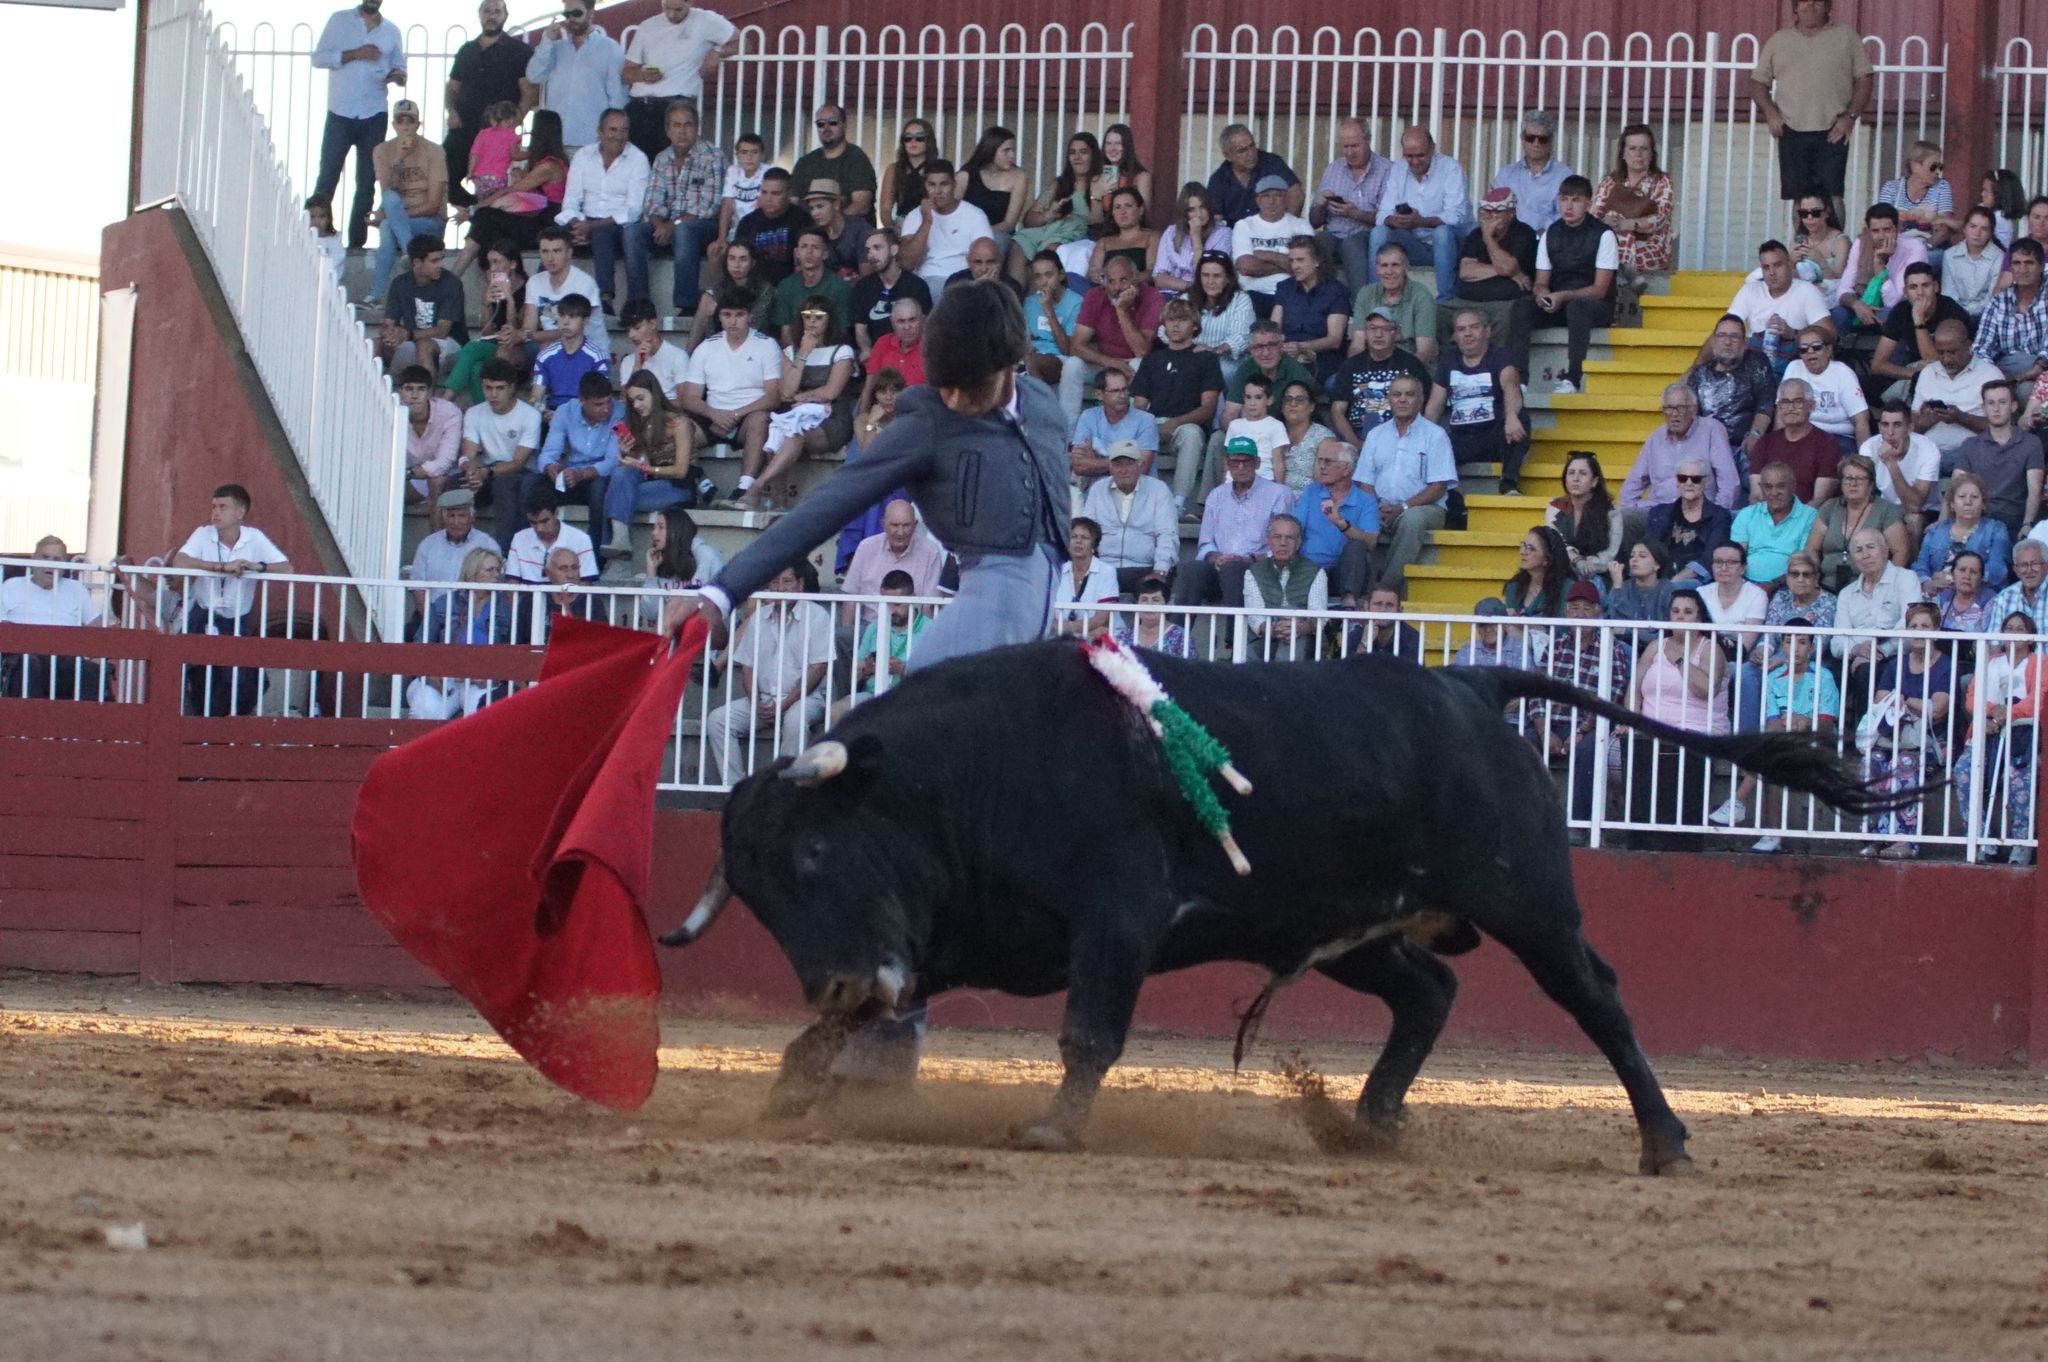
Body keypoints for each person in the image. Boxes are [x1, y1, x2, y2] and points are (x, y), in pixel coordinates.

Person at [684, 281, 1072, 715]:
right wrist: (724, 592)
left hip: (1041, 616)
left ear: (1005, 366)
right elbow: (830, 503)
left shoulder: (1040, 402)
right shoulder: (929, 419)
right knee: (919, 715)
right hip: (987, 601)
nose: (953, 397)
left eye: (965, 385)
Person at [702, 559, 833, 782]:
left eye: (787, 581)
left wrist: (785, 703)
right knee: (718, 720)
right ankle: (735, 789)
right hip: (763, 700)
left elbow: (817, 668)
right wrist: (756, 701)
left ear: (800, 585)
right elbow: (747, 666)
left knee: (796, 719)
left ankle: (786, 791)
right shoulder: (758, 618)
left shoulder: (817, 615)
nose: (781, 588)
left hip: (806, 700)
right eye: (775, 582)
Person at [1750, 0, 1873, 231]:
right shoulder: (1779, 40)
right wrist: (1771, 113)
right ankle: (1802, 252)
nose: (1810, 7)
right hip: (1791, 128)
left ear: (1828, 7)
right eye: (1804, 2)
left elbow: (1864, 79)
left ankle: (1837, 250)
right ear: (1795, 8)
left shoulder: (1846, 36)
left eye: (1818, 2)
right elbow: (1758, 83)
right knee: (1800, 198)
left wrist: (1850, 116)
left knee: (1833, 193)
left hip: (1833, 129)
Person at [172, 485, 293, 716]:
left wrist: (256, 566)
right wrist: (219, 568)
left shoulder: (254, 538)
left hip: (235, 623)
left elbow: (287, 567)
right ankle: (199, 729)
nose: (215, 512)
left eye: (223, 507)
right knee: (199, 677)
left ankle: (220, 729)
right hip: (202, 619)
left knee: (247, 680)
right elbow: (180, 561)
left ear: (240, 512)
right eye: (214, 507)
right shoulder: (202, 533)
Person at [1626, 588, 1728, 847]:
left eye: (1687, 612)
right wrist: (1630, 720)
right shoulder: (1653, 647)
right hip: (1651, 729)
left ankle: (1681, 842)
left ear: (1700, 619)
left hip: (1695, 729)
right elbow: (1634, 688)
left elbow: (1706, 690)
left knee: (1677, 755)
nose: (1680, 618)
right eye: (1675, 611)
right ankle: (1639, 839)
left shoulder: (1710, 648)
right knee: (1629, 748)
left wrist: (1681, 661)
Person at [1860, 601, 1954, 860]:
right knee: (1873, 763)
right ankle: (1876, 836)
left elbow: (1937, 709)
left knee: (1905, 763)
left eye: (1925, 626)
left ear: (1936, 631)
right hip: (1894, 736)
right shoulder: (1895, 664)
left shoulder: (1945, 664)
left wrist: (1903, 700)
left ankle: (1905, 838)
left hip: (1930, 740)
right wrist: (1909, 704)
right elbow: (1879, 700)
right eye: (1913, 626)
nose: (1919, 631)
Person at [312, 0, 407, 249]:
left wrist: (396, 76)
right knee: (327, 177)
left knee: (366, 182)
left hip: (374, 112)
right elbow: (319, 58)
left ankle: (356, 245)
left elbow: (401, 68)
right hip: (340, 112)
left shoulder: (391, 30)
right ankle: (314, 237)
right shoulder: (339, 20)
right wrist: (356, 53)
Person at [749, 294, 857, 506]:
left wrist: (801, 397)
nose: (812, 322)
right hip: (795, 414)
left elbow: (831, 392)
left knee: (794, 436)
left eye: (818, 316)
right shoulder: (791, 352)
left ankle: (757, 487)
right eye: (807, 316)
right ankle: (779, 499)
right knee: (780, 433)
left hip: (831, 418)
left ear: (829, 320)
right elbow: (785, 392)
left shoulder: (842, 350)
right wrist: (804, 352)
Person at [1953, 611, 2046, 861]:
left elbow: (2037, 701)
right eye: (2010, 628)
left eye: (2020, 629)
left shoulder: (2041, 663)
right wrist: (1992, 714)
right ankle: (1981, 838)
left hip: (2024, 738)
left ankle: (2021, 842)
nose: (2014, 634)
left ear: (2030, 636)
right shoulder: (1991, 662)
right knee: (1963, 771)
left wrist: (2007, 714)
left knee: (2020, 776)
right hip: (1987, 734)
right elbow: (1972, 699)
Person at [680, 288, 784, 504]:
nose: (733, 321)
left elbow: (774, 396)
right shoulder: (706, 348)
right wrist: (714, 414)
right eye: (727, 315)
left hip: (748, 416)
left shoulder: (767, 345)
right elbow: (689, 397)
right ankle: (699, 479)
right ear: (719, 317)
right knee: (676, 426)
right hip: (713, 415)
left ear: (749, 316)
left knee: (761, 419)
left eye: (739, 315)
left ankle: (743, 489)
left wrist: (735, 415)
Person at [624, 101, 724, 316]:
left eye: (688, 125)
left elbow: (710, 206)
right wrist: (661, 225)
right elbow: (652, 202)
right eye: (676, 125)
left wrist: (672, 225)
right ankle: (639, 304)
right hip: (669, 227)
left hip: (702, 227)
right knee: (632, 232)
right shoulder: (662, 158)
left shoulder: (712, 156)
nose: (682, 131)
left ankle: (686, 304)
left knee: (684, 230)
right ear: (668, 130)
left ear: (697, 128)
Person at [1358, 375, 1454, 590]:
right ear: (1389, 400)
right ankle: (1354, 590)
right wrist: (1376, 508)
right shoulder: (1375, 435)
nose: (1402, 400)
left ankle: (1385, 589)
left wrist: (1402, 507)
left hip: (1424, 508)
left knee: (1412, 519)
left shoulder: (1435, 435)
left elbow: (1438, 487)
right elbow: (1365, 482)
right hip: (1379, 506)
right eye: (1397, 394)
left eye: (1409, 394)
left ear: (1421, 400)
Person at [1172, 440, 1293, 608]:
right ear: (1227, 464)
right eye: (1235, 462)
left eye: (1246, 462)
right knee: (1193, 568)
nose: (1240, 467)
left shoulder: (1279, 494)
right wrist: (1216, 557)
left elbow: (1283, 545)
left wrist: (1248, 559)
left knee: (1233, 569)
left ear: (1257, 463)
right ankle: (1178, 632)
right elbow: (1206, 542)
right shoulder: (1216, 495)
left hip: (1261, 569)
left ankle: (1232, 634)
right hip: (1221, 568)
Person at [1134, 299, 1226, 515]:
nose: (1175, 325)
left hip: (1187, 425)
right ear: (1164, 324)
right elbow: (1139, 405)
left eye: (1182, 320)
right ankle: (1138, 499)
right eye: (1171, 320)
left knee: (1192, 434)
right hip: (1153, 423)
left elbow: (1208, 409)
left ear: (1194, 325)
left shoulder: (1206, 359)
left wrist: (1175, 423)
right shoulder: (1152, 359)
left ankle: (1178, 502)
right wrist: (1150, 427)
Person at [556, 108, 649, 314]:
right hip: (584, 219)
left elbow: (634, 210)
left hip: (618, 225)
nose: (618, 136)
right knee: (553, 237)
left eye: (624, 130)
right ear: (599, 131)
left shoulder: (638, 159)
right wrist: (577, 225)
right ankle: (543, 298)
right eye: (613, 129)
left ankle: (605, 298)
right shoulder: (583, 155)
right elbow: (571, 200)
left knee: (602, 233)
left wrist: (593, 225)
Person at [1531, 175, 1618, 395]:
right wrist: (1542, 294)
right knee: (1521, 308)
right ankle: (1519, 379)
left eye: (1576, 200)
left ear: (1588, 203)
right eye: (1564, 199)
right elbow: (1541, 281)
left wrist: (1562, 296)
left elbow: (1600, 290)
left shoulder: (1604, 235)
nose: (1568, 206)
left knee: (1577, 307)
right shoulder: (1551, 233)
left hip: (1596, 306)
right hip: (1559, 302)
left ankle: (1573, 378)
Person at [405, 546, 514, 719]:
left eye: (498, 570)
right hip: (445, 678)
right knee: (425, 710)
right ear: (473, 574)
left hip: (481, 682)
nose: (497, 574)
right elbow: (421, 642)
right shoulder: (445, 603)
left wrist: (494, 677)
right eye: (490, 570)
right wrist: (430, 675)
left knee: (482, 714)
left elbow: (512, 650)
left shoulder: (504, 609)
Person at [1426, 309, 1528, 492]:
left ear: (1487, 331)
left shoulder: (1501, 356)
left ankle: (1509, 482)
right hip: (1461, 438)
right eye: (1461, 329)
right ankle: (1450, 501)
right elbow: (1434, 406)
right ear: (1455, 336)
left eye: (1474, 327)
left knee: (1520, 417)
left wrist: (1512, 416)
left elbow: (1511, 388)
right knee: (1431, 440)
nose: (1468, 333)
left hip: (1494, 436)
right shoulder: (1449, 360)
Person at [619, 0, 736, 158]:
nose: (671, 14)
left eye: (678, 9)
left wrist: (717, 51)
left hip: (675, 105)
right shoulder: (647, 26)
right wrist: (642, 75)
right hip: (639, 105)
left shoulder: (706, 20)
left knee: (671, 166)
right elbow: (626, 73)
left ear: (690, 3)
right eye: (667, 8)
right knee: (633, 166)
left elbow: (742, 42)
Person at [1367, 126, 1470, 305]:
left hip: (1451, 244)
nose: (1414, 162)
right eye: (1409, 156)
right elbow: (1382, 215)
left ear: (1432, 148)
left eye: (1420, 155)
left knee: (1442, 232)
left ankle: (1445, 302)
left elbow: (1457, 216)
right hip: (1416, 244)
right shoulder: (1398, 170)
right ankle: (1374, 299)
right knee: (1379, 232)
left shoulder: (1450, 168)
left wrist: (1420, 221)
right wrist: (1397, 220)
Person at [442, 1, 529, 209]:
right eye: (487, 11)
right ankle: (479, 209)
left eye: (497, 11)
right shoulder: (466, 51)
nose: (492, 16)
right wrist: (451, 111)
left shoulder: (519, 50)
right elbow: (452, 88)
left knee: (498, 187)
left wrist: (516, 121)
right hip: (463, 130)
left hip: (497, 135)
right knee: (443, 179)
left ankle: (484, 218)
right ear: (479, 15)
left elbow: (528, 92)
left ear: (505, 16)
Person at [600, 370, 697, 553]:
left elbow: (681, 470)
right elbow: (638, 467)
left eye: (640, 398)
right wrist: (626, 453)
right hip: (650, 482)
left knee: (612, 498)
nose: (636, 405)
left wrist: (645, 468)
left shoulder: (679, 423)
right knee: (620, 474)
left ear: (654, 393)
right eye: (632, 401)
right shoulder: (642, 423)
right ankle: (619, 542)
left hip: (678, 485)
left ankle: (614, 556)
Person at [0, 537, 105, 701]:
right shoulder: (11, 586)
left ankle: (88, 724)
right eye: (45, 557)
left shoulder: (75, 589)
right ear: (34, 560)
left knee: (90, 671)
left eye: (57, 559)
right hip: (23, 660)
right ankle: (30, 723)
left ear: (65, 563)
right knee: (29, 664)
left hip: (65, 660)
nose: (51, 564)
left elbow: (97, 628)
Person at [461, 110, 570, 264]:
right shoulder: (545, 162)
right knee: (489, 230)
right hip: (535, 216)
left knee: (486, 218)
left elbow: (511, 190)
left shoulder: (549, 166)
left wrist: (475, 208)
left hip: (545, 223)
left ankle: (460, 270)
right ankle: (494, 280)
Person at [1832, 526, 1920, 716]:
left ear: (1885, 549)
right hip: (1855, 656)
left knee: (1867, 671)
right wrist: (1857, 650)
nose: (1865, 555)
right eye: (1858, 550)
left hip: (1894, 654)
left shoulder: (1906, 578)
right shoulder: (1846, 594)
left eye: (1870, 547)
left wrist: (1879, 650)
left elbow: (1908, 626)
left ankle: (1863, 738)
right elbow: (1837, 641)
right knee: (1824, 675)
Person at [366, 100, 447, 304]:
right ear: (394, 125)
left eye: (410, 121)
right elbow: (387, 192)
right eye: (400, 121)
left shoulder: (435, 151)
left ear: (417, 124)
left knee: (387, 224)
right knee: (390, 208)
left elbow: (433, 205)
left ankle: (376, 294)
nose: (405, 126)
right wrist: (399, 159)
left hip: (429, 221)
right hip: (400, 219)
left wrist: (395, 216)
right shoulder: (382, 151)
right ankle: (410, 256)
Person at [533, 370, 623, 549]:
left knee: (599, 489)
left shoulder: (619, 413)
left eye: (608, 402)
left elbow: (614, 460)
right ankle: (530, 549)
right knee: (531, 484)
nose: (605, 409)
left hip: (599, 476)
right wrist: (550, 468)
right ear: (582, 400)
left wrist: (582, 474)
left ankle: (597, 554)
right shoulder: (565, 411)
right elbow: (549, 452)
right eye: (598, 404)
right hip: (570, 476)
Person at [1618, 384, 1741, 514]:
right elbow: (1632, 484)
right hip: (1659, 513)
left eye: (1680, 408)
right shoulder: (1656, 438)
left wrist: (1716, 515)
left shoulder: (1712, 430)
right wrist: (1634, 507)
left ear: (1693, 410)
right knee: (1623, 518)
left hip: (1699, 514)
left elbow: (1730, 484)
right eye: (1669, 408)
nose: (1674, 414)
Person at [521, 3, 626, 152]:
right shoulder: (555, 48)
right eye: (566, 14)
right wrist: (547, 40)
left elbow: (617, 98)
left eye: (576, 13)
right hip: (555, 142)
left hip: (592, 141)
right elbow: (533, 76)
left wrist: (611, 138)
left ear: (591, 13)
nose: (570, 18)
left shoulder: (610, 48)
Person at [1453, 187, 1538, 367]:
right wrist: (1505, 272)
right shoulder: (1475, 235)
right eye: (1487, 211)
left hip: (1506, 301)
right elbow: (1465, 271)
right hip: (1472, 298)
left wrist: (1489, 239)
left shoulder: (1524, 233)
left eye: (1497, 212)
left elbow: (1507, 266)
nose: (1491, 216)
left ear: (1511, 213)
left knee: (1507, 318)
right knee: (1443, 312)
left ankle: (1497, 370)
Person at [1722, 239, 1831, 377]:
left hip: (1793, 369)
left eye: (1777, 265)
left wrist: (1793, 334)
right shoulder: (1750, 290)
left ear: (1790, 265)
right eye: (1766, 267)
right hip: (1753, 367)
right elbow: (1725, 328)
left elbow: (1830, 334)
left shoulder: (1806, 291)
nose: (1772, 272)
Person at [1329, 307, 1435, 447]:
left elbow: (1424, 406)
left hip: (1401, 437)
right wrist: (1357, 444)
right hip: (1359, 435)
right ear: (1365, 333)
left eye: (1386, 329)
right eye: (1372, 328)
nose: (1378, 334)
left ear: (1396, 333)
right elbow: (1337, 411)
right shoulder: (1350, 366)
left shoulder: (1411, 365)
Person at [1080, 442, 1178, 592]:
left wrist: (1160, 570)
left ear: (1140, 465)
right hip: (1105, 567)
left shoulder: (1159, 490)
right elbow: (1088, 532)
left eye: (1129, 464)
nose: (1123, 470)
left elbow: (1167, 534)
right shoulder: (1098, 490)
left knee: (1153, 590)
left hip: (1145, 568)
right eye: (1117, 464)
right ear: (1110, 467)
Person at [1294, 438, 1378, 607]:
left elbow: (1371, 542)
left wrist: (1342, 524)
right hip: (1310, 570)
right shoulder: (1311, 492)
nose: (1321, 466)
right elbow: (1295, 527)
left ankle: (1348, 602)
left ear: (1346, 468)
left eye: (1328, 461)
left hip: (1343, 573)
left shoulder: (1366, 500)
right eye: (1320, 461)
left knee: (1357, 546)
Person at [1955, 379, 2045, 537]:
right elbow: (1955, 488)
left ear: (2013, 407)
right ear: (1983, 408)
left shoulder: (2031, 443)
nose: (1996, 409)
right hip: (1977, 520)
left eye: (2002, 402)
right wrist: (1943, 522)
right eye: (1990, 403)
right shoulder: (1970, 445)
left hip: (2013, 521)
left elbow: (2034, 490)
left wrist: (2027, 524)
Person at [1310, 119, 1393, 290]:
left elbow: (1390, 219)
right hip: (1333, 234)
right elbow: (1315, 222)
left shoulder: (1387, 170)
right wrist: (1319, 205)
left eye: (1355, 146)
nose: (1349, 152)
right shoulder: (1333, 169)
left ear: (1368, 140)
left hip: (1365, 235)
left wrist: (1355, 213)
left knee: (1352, 245)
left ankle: (1359, 304)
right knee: (1318, 241)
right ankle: (1319, 300)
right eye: (1345, 147)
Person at [411, 488, 504, 639]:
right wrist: (432, 620)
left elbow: (496, 585)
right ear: (443, 518)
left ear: (472, 517)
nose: (456, 522)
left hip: (476, 617)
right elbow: (418, 588)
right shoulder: (428, 544)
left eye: (462, 516)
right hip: (436, 616)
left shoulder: (487, 544)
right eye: (451, 516)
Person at [1807, 451, 1909, 590]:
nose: (1853, 484)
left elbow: (1901, 552)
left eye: (1860, 479)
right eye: (1848, 478)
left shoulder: (1886, 510)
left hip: (1869, 586)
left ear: (1871, 484)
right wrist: (1812, 577)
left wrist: (1884, 585)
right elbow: (1812, 548)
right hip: (1825, 586)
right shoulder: (1829, 507)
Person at [835, 569, 929, 718]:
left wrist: (904, 670)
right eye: (886, 604)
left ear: (913, 598)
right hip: (872, 696)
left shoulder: (930, 628)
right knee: (836, 711)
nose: (891, 611)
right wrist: (867, 671)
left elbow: (935, 676)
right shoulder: (874, 627)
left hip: (911, 698)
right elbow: (855, 674)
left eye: (897, 604)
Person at [1870, 262, 1971, 399]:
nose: (1920, 293)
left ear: (1936, 287)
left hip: (1953, 372)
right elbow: (1878, 364)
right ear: (1905, 292)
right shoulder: (1901, 310)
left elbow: (1939, 366)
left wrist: (1919, 321)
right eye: (1913, 287)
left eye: (1925, 285)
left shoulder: (1951, 311)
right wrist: (1913, 373)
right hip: (1917, 369)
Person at [1910, 320, 2002, 467]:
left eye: (1952, 352)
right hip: (1928, 455)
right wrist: (1924, 422)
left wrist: (1961, 418)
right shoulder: (1927, 373)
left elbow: (2002, 428)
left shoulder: (1990, 375)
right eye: (1940, 352)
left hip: (1974, 456)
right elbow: (1912, 428)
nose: (1946, 359)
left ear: (1968, 345)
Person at [1591, 123, 1675, 281]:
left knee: (1622, 237)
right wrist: (1608, 223)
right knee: (1614, 238)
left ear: (1651, 154)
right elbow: (1595, 217)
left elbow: (1660, 219)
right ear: (1623, 153)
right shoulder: (1609, 182)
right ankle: (1628, 278)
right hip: (1615, 244)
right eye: (1632, 148)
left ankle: (1621, 280)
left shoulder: (1663, 181)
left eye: (1644, 149)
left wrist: (1627, 224)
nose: (1638, 154)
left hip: (1650, 248)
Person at [380, 236, 468, 383]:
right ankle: (379, 389)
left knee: (424, 345)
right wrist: (389, 334)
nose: (440, 264)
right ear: (417, 263)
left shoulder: (451, 283)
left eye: (441, 259)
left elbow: (442, 331)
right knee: (377, 343)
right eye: (434, 261)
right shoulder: (400, 283)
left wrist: (407, 334)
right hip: (412, 340)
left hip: (451, 344)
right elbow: (389, 321)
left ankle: (428, 403)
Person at [899, 160, 993, 295]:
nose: (937, 191)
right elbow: (907, 263)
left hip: (965, 279)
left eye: (944, 184)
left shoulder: (975, 214)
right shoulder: (915, 216)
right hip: (927, 280)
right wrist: (927, 221)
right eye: (931, 185)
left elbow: (987, 257)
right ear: (924, 186)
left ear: (954, 185)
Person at [1242, 515, 1329, 659]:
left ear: (1298, 543)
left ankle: (1284, 679)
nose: (1283, 543)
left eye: (1289, 538)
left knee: (1292, 635)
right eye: (1277, 537)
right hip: (1266, 637)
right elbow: (1255, 617)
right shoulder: (1253, 572)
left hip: (1304, 639)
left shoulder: (1315, 572)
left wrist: (1299, 628)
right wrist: (1276, 630)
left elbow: (1319, 617)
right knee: (1246, 655)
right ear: (1269, 540)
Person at [1268, 236, 1350, 383]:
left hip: (1321, 357)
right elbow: (1274, 329)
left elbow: (1334, 339)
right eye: (1292, 260)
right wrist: (1282, 348)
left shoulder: (1336, 291)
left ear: (1317, 261)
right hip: (1286, 354)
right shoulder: (1284, 288)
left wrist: (1303, 347)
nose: (1294, 266)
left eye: (1300, 260)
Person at [1915, 472, 2013, 592]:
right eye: (1962, 496)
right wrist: (1927, 582)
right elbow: (1920, 566)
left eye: (1974, 497)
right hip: (1937, 595)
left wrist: (1953, 578)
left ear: (1983, 504)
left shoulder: (1996, 529)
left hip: (1981, 598)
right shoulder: (1935, 531)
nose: (1968, 502)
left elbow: (1998, 570)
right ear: (1952, 504)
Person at [1836, 204, 1927, 332]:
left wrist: (1880, 268)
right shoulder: (1860, 244)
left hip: (1898, 308)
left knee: (1889, 315)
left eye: (1887, 230)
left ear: (1897, 229)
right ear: (1868, 231)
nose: (1881, 236)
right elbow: (1844, 289)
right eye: (1875, 231)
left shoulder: (1915, 248)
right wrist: (1856, 304)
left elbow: (1894, 301)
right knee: (1839, 314)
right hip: (1864, 301)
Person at [1012, 133, 1102, 263]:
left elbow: (1098, 222)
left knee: (1051, 251)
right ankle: (1015, 284)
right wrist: (1049, 215)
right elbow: (1029, 221)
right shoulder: (1058, 184)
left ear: (1093, 155)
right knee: (1019, 242)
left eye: (1083, 152)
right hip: (1050, 229)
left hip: (1077, 234)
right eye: (1072, 152)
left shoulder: (1100, 182)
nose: (1077, 157)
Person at [1748, 378, 1839, 506]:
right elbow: (1756, 495)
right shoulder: (1765, 443)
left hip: (1806, 519)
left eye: (1798, 401)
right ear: (1779, 407)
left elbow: (1820, 499)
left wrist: (1793, 522)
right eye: (1785, 402)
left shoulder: (1827, 444)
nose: (1790, 408)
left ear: (1811, 405)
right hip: (1767, 518)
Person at [1072, 255, 1164, 381]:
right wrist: (1110, 362)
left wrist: (1121, 310)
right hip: (1104, 362)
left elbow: (1141, 351)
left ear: (1135, 279)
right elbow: (1077, 346)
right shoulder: (1095, 295)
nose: (1117, 287)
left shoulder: (1153, 297)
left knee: (1139, 364)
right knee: (1073, 365)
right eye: (1111, 281)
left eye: (1123, 280)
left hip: (1134, 362)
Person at [1644, 456, 1734, 584]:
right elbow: (1650, 550)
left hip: (1697, 580)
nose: (1688, 483)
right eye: (1683, 478)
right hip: (1662, 576)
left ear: (1706, 482)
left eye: (1696, 479)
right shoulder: (1659, 513)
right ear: (1677, 481)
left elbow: (1712, 556)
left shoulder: (1719, 516)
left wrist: (1674, 582)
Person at [1347, 242, 1440, 365]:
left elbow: (1425, 351)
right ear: (1377, 269)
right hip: (1372, 363)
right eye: (1384, 265)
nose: (1389, 271)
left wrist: (1399, 378)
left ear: (1406, 268)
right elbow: (1357, 346)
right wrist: (1353, 370)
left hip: (1410, 362)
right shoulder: (1365, 294)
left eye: (1395, 265)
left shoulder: (1422, 295)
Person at [1731, 461, 1820, 588]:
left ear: (1793, 486)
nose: (1774, 493)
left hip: (1790, 586)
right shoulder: (1747, 514)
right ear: (1761, 487)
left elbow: (1803, 562)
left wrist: (1773, 585)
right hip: (1745, 585)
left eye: (1781, 486)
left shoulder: (1810, 516)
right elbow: (1736, 557)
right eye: (1768, 487)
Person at [1782, 327, 1869, 457]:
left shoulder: (1843, 373)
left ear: (1829, 350)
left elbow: (1861, 420)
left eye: (1816, 347)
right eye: (1804, 349)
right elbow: (1781, 413)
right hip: (1801, 436)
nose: (1810, 352)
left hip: (1839, 439)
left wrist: (1864, 460)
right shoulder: (1794, 368)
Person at [849, 228, 934, 358]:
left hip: (911, 356)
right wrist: (867, 351)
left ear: (894, 250)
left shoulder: (916, 286)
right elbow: (860, 329)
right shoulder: (862, 287)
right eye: (868, 250)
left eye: (877, 248)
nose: (871, 255)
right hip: (877, 358)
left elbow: (926, 326)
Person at [1973, 237, 2048, 382]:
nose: (2023, 269)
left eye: (2029, 263)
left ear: (2041, 266)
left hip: (2042, 372)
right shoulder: (1999, 301)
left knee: (2026, 386)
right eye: (2017, 263)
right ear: (2010, 268)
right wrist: (1997, 377)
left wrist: (2038, 367)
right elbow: (1981, 347)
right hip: (2003, 372)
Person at [841, 498, 944, 602]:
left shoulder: (930, 552)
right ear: (883, 524)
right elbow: (850, 597)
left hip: (914, 618)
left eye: (906, 525)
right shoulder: (866, 548)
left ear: (915, 525)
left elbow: (930, 604)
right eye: (895, 525)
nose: (900, 532)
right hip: (869, 618)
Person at [525, 225, 609, 351]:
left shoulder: (584, 283)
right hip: (551, 347)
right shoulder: (534, 282)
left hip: (587, 351)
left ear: (569, 253)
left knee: (547, 346)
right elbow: (528, 327)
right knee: (509, 348)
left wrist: (531, 335)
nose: (550, 258)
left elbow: (573, 332)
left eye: (557, 251)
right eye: (545, 251)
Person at [1861, 399, 1940, 531]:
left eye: (1897, 425)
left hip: (1924, 510)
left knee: (1914, 520)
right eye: (1885, 425)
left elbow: (1914, 506)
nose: (1890, 432)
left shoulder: (1928, 450)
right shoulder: (1868, 448)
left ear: (1910, 428)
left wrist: (1891, 463)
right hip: (1885, 506)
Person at [955, 128, 1028, 268]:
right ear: (991, 150)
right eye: (1006, 150)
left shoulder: (1019, 176)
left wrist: (981, 235)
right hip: (965, 233)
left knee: (996, 242)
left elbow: (1009, 224)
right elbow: (951, 212)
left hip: (998, 233)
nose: (1012, 155)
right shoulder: (966, 175)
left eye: (1013, 150)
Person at [790, 104, 877, 222]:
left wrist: (831, 224)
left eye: (833, 122)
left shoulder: (856, 158)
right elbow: (793, 202)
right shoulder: (805, 163)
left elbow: (861, 206)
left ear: (844, 125)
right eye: (821, 124)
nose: (826, 128)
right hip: (811, 232)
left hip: (850, 232)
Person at [1231, 176, 1314, 299]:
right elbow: (1246, 267)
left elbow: (1308, 267)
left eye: (1278, 196)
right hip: (1252, 293)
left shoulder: (1301, 226)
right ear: (1258, 200)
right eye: (1266, 196)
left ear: (1286, 199)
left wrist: (1266, 255)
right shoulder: (1244, 225)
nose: (1272, 201)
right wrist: (1288, 266)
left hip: (1293, 293)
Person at [1493, 110, 1574, 235]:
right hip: (1510, 240)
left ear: (1551, 140)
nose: (1536, 144)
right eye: (1530, 138)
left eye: (1542, 139)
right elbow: (1494, 212)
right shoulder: (1506, 175)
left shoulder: (1564, 175)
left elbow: (1568, 217)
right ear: (1522, 139)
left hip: (1548, 242)